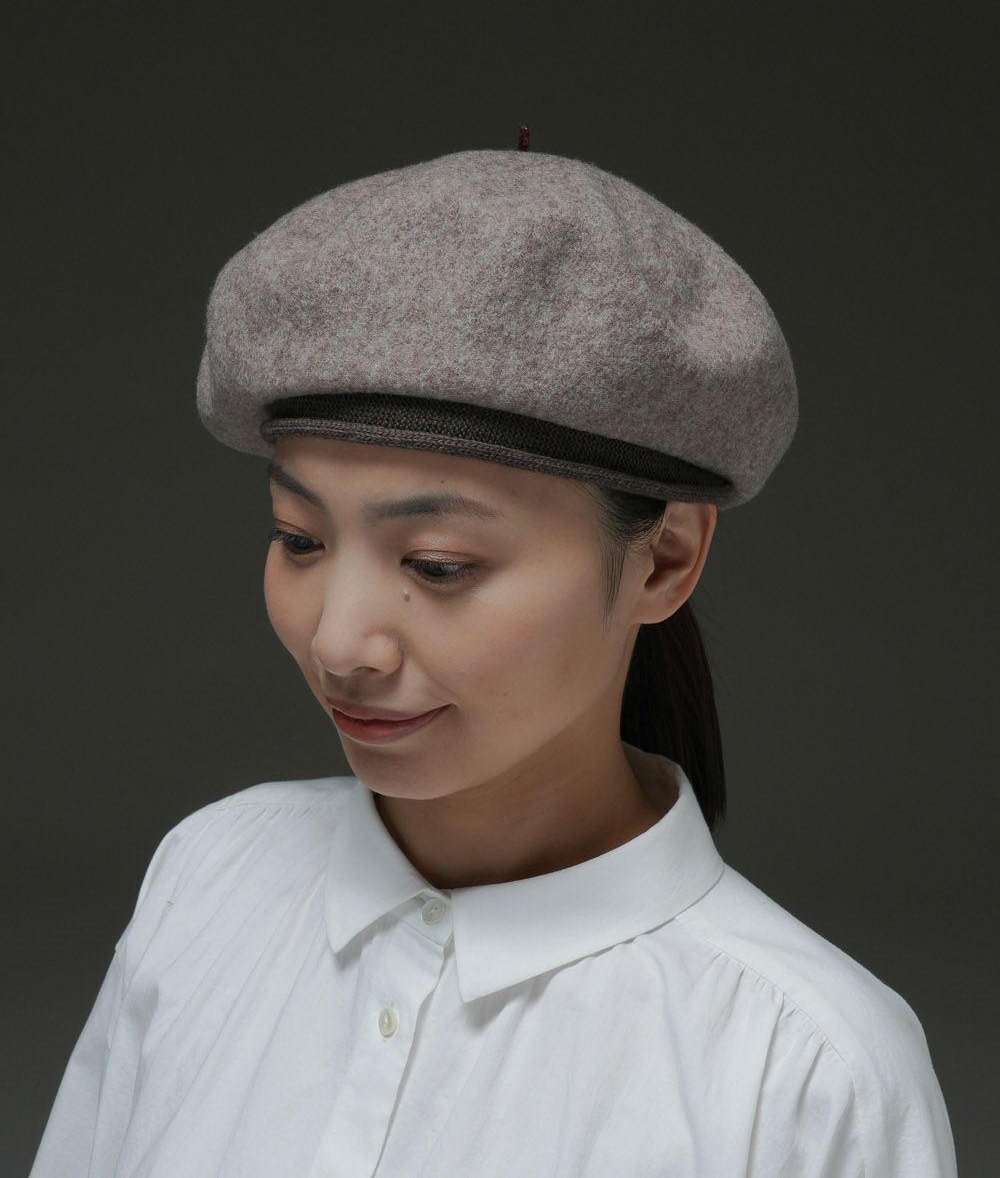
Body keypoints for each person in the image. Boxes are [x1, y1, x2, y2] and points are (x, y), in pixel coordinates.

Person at [30, 132, 958, 1176]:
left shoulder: (805, 1069)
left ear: (664, 559)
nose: (339, 641)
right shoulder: (211, 877)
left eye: (438, 564)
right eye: (299, 539)